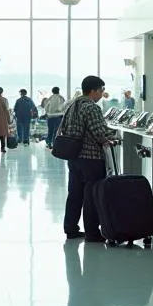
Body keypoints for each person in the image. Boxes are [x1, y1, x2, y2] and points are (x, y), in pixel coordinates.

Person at [60, 75, 112, 241]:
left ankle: (71, 228)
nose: (102, 94)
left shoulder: (72, 104)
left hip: (73, 156)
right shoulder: (91, 107)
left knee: (75, 193)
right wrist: (114, 136)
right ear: (93, 90)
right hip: (91, 158)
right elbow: (100, 133)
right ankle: (92, 232)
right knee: (92, 195)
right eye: (101, 90)